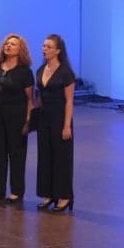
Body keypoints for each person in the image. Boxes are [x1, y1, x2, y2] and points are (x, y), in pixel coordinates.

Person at [0, 34, 34, 205]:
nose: (8, 46)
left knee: (16, 154)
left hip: (16, 117)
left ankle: (16, 191)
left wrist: (28, 121)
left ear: (20, 50)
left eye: (13, 44)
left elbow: (30, 100)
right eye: (7, 43)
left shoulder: (24, 71)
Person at [34, 34, 75, 213]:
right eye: (44, 46)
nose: (44, 49)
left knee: (61, 158)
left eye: (49, 47)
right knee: (45, 156)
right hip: (44, 118)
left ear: (58, 50)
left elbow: (69, 101)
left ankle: (65, 196)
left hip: (60, 118)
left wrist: (66, 126)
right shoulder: (40, 70)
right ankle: (49, 194)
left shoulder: (66, 72)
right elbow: (39, 97)